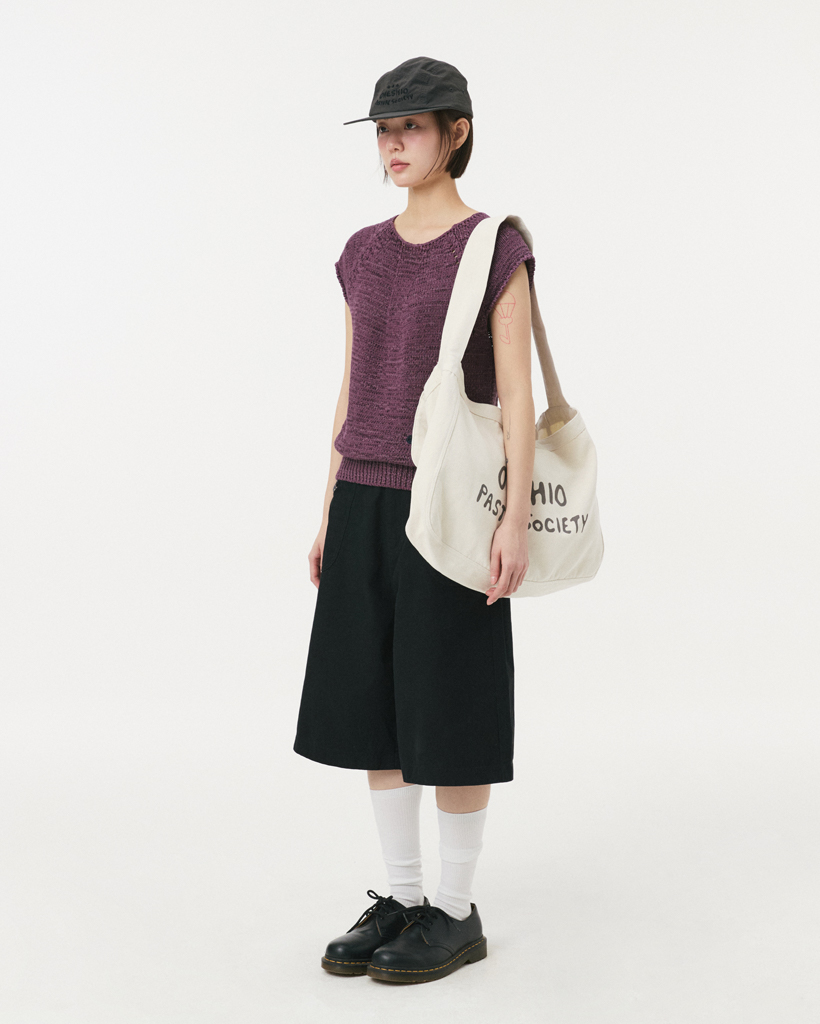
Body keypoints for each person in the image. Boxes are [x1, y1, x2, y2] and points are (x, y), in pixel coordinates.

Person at [293, 56, 536, 984]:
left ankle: (457, 910)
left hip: (448, 503)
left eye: (412, 128)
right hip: (365, 493)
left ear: (456, 133)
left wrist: (513, 519)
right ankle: (401, 896)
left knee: (453, 701)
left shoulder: (493, 247)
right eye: (385, 131)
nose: (393, 145)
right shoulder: (361, 250)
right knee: (373, 705)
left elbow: (515, 396)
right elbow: (351, 383)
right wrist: (329, 505)